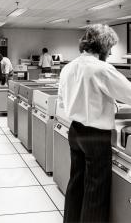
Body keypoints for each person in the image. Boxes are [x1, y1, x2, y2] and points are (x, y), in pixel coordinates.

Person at [58, 24, 131, 223]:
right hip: (96, 136)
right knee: (95, 190)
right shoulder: (103, 69)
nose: (111, 52)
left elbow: (62, 102)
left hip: (75, 131)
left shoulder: (68, 67)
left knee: (76, 183)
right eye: (110, 47)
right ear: (102, 46)